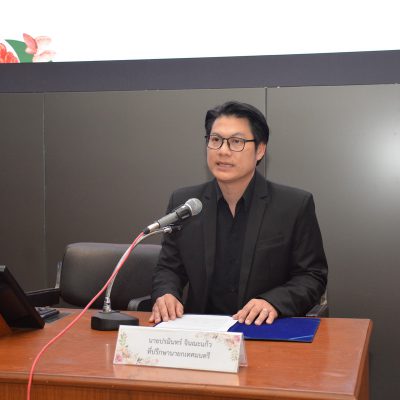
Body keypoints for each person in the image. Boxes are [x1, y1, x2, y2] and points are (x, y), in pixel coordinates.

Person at [150, 101, 328, 325]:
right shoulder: (187, 204)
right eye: (215, 140)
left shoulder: (294, 206)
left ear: (260, 150)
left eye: (236, 142)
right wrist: (166, 293)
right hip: (202, 331)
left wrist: (272, 302)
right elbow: (169, 268)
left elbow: (312, 276)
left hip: (263, 328)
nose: (223, 151)